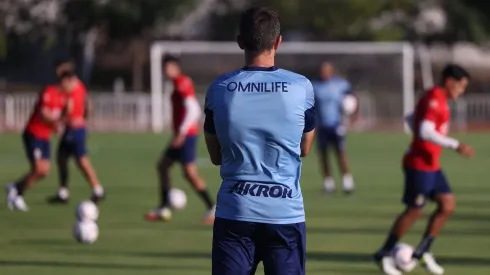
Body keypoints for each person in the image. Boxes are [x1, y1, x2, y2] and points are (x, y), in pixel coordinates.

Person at [204, 7, 316, 275]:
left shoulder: (219, 89)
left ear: (240, 41)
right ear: (278, 41)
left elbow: (216, 156)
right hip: (284, 213)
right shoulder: (301, 87)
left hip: (235, 211)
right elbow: (305, 149)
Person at [374, 64, 473, 275]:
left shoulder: (435, 97)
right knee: (414, 211)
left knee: (447, 205)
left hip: (432, 165)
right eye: (461, 86)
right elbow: (425, 130)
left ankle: (423, 251)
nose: (462, 91)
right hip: (419, 165)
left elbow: (411, 118)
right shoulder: (436, 98)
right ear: (449, 82)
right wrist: (456, 145)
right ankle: (384, 253)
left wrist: (420, 137)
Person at [145, 55, 215, 224]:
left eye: (168, 67)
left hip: (187, 135)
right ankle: (163, 207)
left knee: (190, 173)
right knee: (163, 166)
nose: (165, 71)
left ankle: (212, 207)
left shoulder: (182, 82)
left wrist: (182, 132)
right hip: (183, 134)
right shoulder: (177, 83)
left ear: (176, 67)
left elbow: (193, 109)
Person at [6, 71, 77, 211]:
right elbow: (44, 114)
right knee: (38, 168)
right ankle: (18, 194)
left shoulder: (65, 98)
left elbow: (57, 119)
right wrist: (58, 121)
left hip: (45, 137)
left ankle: (15, 187)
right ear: (64, 81)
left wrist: (64, 117)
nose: (73, 86)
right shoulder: (50, 91)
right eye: (71, 82)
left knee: (44, 171)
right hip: (33, 134)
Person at [47, 60, 105, 204]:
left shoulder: (70, 89)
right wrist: (85, 119)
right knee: (62, 158)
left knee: (81, 160)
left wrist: (59, 122)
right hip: (75, 128)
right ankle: (63, 191)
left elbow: (69, 109)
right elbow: (88, 105)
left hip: (74, 129)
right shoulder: (80, 86)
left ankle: (97, 189)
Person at [312, 62, 356, 194]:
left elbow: (352, 99)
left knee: (340, 153)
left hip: (337, 125)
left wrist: (352, 115)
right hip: (321, 126)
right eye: (322, 70)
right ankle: (328, 183)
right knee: (323, 155)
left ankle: (347, 181)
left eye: (326, 70)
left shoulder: (341, 85)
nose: (324, 73)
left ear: (331, 71)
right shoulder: (314, 86)